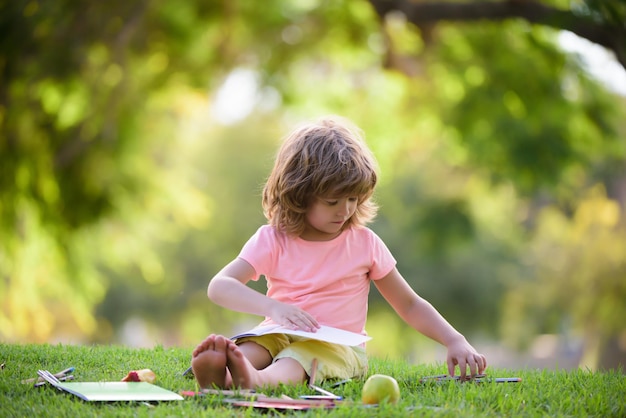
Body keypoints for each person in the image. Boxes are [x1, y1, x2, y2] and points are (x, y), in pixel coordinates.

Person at [191, 116, 487, 389]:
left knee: (298, 358)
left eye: (352, 199)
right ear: (300, 195)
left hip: (338, 347)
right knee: (257, 347)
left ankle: (255, 380)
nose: (345, 210)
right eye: (333, 201)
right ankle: (225, 376)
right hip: (277, 331)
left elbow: (408, 304)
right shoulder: (273, 239)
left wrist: (454, 340)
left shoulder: (364, 244)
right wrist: (273, 308)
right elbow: (220, 287)